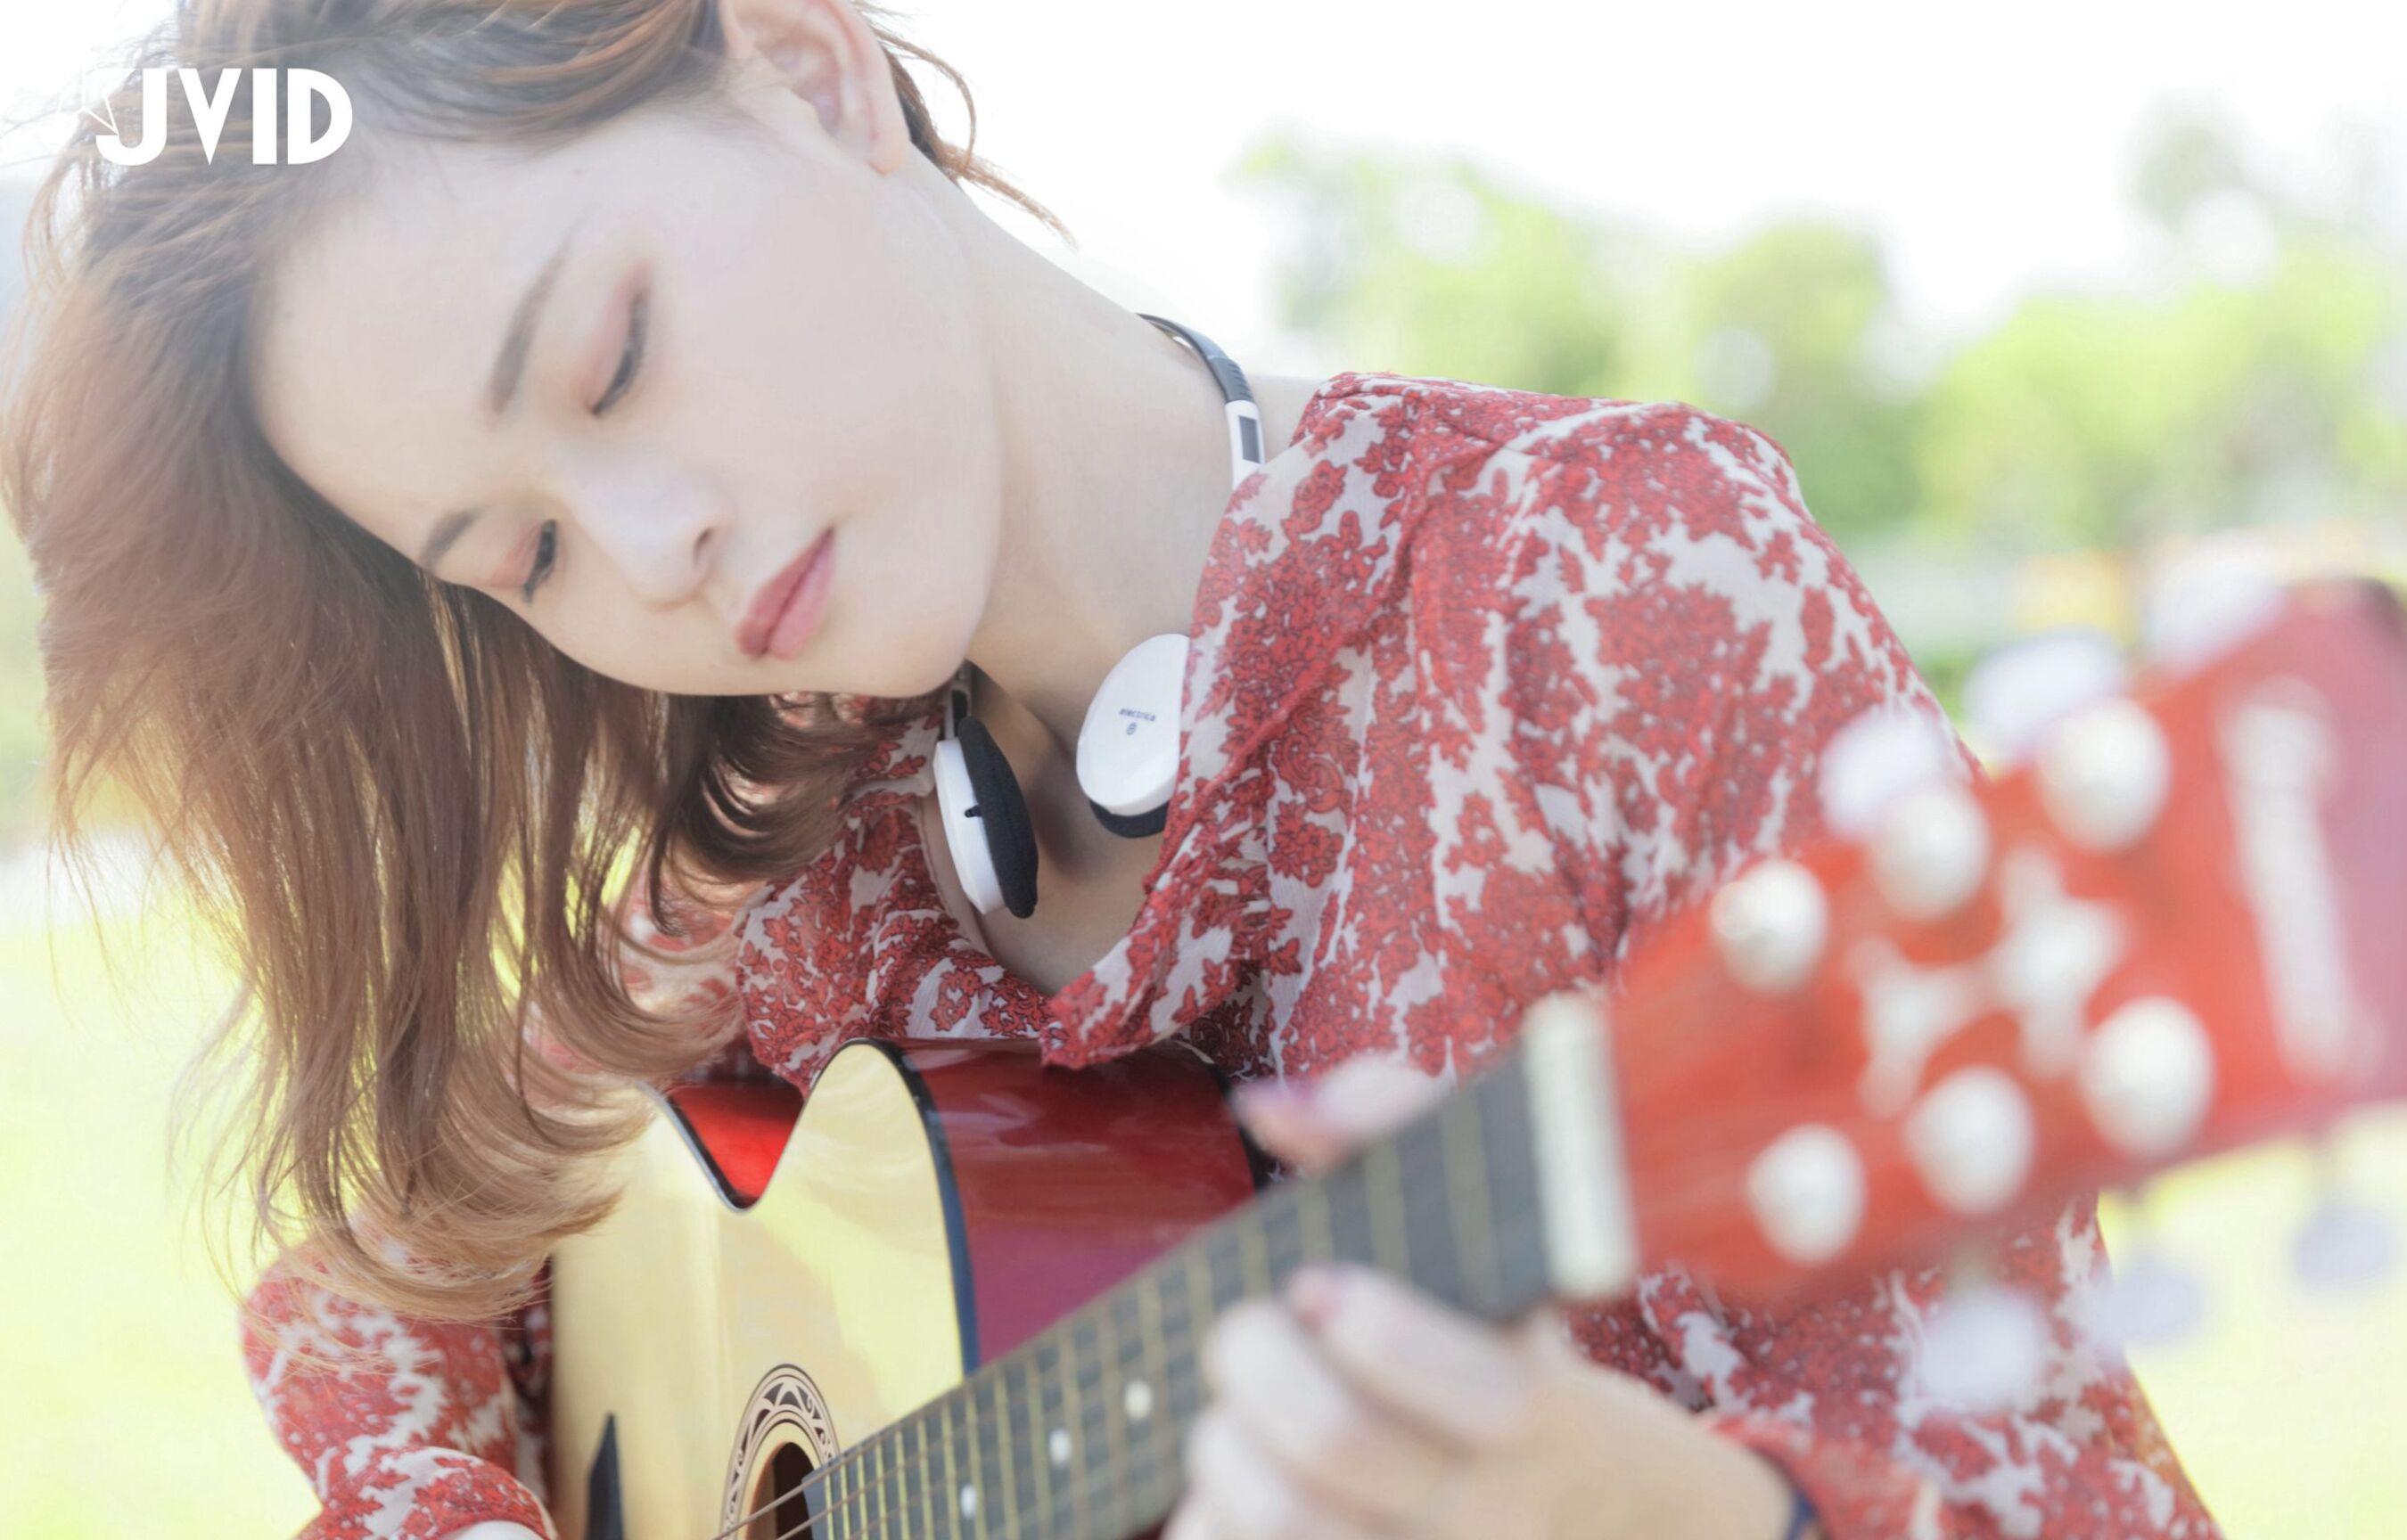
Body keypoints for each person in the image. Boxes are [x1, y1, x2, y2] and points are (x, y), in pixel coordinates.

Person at [0, 2, 2221, 1537]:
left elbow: (2048, 1485)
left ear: (809, 70)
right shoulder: (796, 868)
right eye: (529, 556)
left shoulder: (1600, 592)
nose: (649, 546)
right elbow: (375, 1296)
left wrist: (1675, 1514)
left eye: (615, 357)